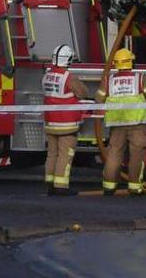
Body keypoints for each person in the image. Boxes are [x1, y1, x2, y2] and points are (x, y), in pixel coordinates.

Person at [99, 47, 146, 195]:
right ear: (131, 62)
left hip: (117, 124)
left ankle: (109, 187)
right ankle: (135, 187)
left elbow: (98, 98)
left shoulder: (109, 80)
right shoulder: (140, 78)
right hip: (137, 123)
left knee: (114, 154)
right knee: (136, 156)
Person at [40, 44, 86, 197]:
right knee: (65, 155)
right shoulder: (69, 77)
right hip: (67, 124)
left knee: (52, 154)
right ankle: (61, 187)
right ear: (69, 60)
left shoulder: (47, 75)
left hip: (50, 122)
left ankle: (50, 184)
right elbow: (83, 93)